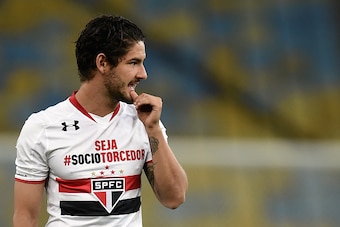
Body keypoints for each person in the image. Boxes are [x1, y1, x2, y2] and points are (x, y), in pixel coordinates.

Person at [13, 15, 188, 227]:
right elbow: (25, 218)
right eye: (133, 63)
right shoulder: (42, 127)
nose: (143, 74)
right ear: (102, 63)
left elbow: (174, 198)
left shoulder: (145, 122)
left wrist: (154, 129)